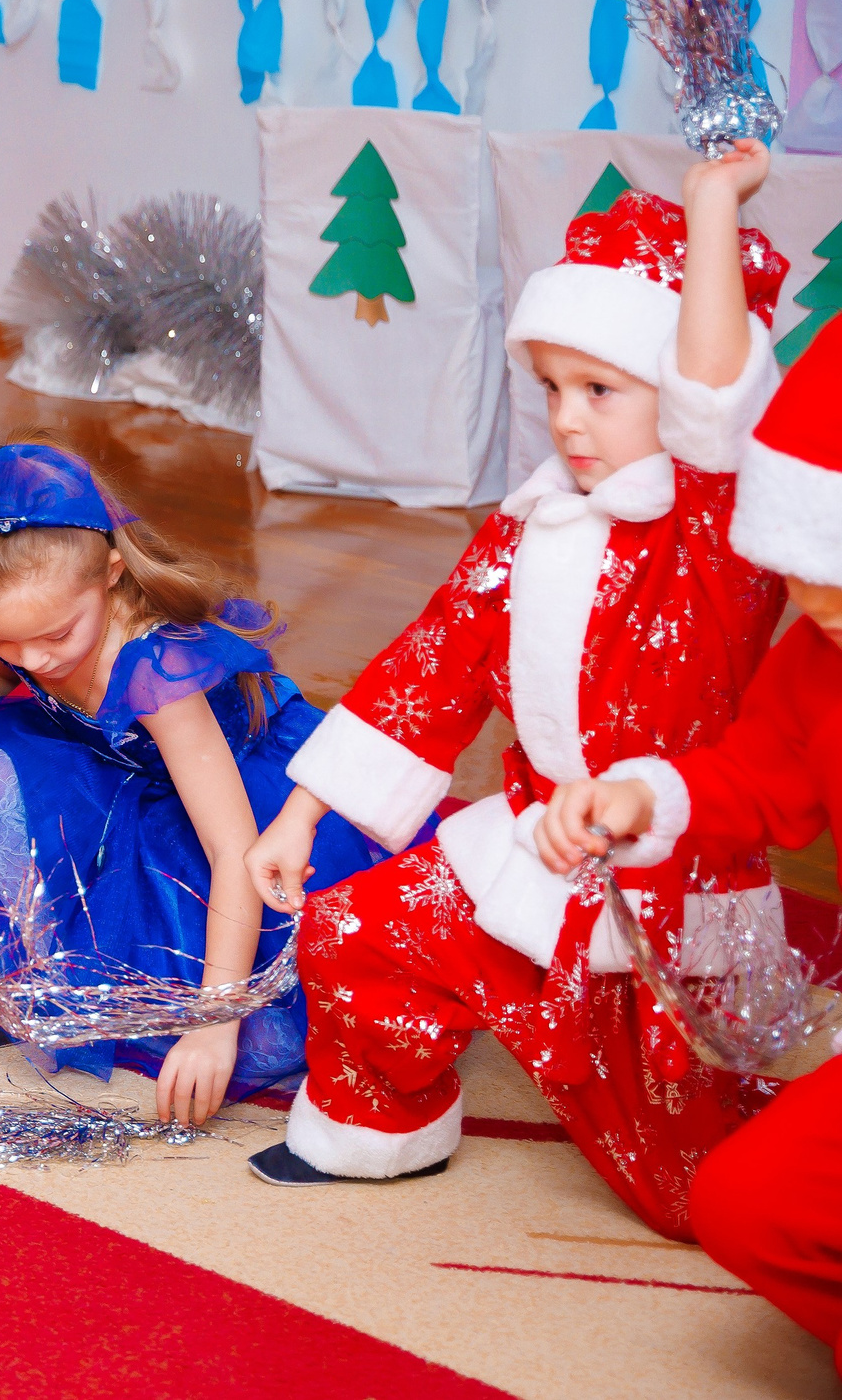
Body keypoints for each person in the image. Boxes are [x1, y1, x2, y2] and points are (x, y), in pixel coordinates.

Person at [243, 146, 791, 1239]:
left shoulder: (715, 543)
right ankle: (378, 1130)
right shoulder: (532, 521)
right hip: (529, 840)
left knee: (694, 1197)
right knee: (356, 931)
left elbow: (720, 407)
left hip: (656, 894)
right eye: (549, 389)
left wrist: (710, 211)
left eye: (600, 389)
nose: (567, 419)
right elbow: (431, 663)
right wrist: (304, 813)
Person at [0, 445, 400, 1124]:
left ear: (111, 574)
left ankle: (129, 986)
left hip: (236, 799)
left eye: (54, 636)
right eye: (6, 640)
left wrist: (218, 1020)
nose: (31, 660)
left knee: (264, 1031)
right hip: (121, 770)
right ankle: (48, 969)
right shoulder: (34, 630)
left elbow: (233, 849)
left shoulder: (157, 667)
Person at [539, 319, 842, 1371]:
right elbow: (760, 774)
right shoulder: (816, 654)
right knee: (743, 1204)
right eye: (796, 569)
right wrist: (637, 795)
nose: (809, 602)